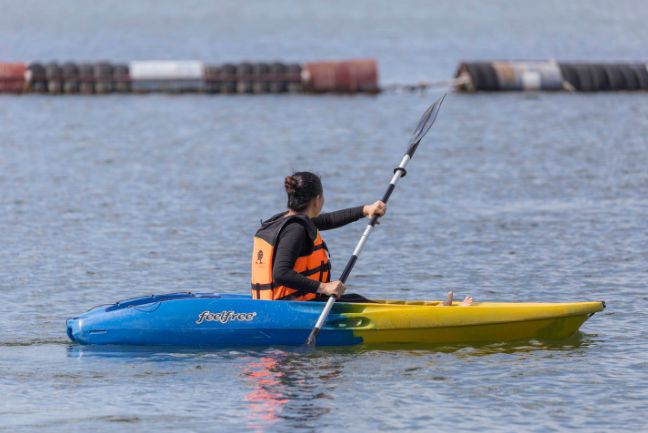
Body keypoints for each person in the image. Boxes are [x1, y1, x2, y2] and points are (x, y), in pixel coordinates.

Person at [251, 171, 384, 302]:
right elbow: (280, 273)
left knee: (355, 298)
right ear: (317, 199)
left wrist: (365, 210)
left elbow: (329, 220)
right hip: (290, 307)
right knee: (359, 302)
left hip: (276, 302)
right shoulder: (295, 229)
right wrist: (324, 287)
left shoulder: (286, 220)